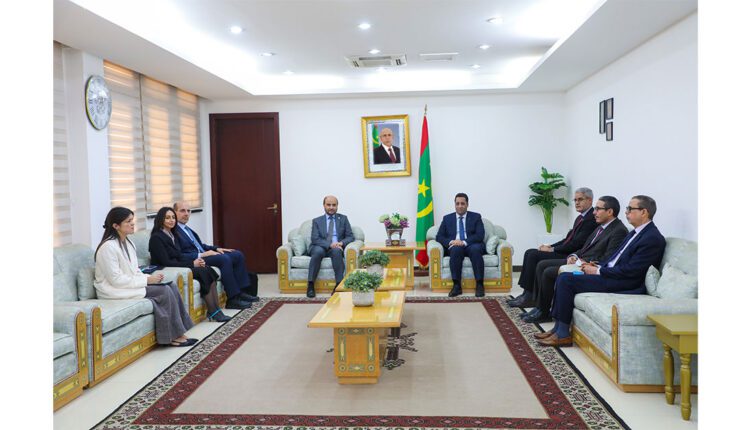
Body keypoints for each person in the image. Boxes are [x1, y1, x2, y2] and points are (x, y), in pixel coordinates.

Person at [537, 195, 666, 347]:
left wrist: (598, 271)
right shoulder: (635, 232)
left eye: (630, 209)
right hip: (612, 274)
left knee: (566, 280)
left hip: (625, 282)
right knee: (563, 276)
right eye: (627, 208)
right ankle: (558, 328)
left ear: (644, 212)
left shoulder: (652, 238)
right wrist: (597, 265)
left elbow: (633, 271)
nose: (626, 212)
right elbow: (615, 258)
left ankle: (563, 334)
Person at [94, 207, 196, 347]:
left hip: (127, 285)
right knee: (163, 291)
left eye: (132, 220)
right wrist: (146, 280)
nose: (132, 224)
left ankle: (181, 330)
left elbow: (134, 271)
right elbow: (116, 280)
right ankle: (172, 337)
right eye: (128, 221)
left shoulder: (129, 243)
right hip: (113, 289)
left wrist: (149, 277)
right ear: (116, 226)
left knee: (170, 285)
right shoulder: (108, 247)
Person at [521, 196, 628, 323]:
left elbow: (608, 257)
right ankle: (539, 307)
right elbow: (585, 248)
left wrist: (582, 261)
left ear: (609, 211)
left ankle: (544, 312)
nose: (594, 212)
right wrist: (574, 255)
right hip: (579, 260)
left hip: (588, 265)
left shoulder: (619, 230)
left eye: (598, 209)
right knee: (542, 265)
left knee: (548, 271)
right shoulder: (601, 226)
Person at [509, 187, 597, 308]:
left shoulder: (591, 219)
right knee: (529, 252)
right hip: (566, 250)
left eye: (580, 199)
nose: (577, 203)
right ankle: (527, 293)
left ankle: (530, 297)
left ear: (590, 200)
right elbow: (567, 239)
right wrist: (550, 245)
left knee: (533, 255)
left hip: (571, 255)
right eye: (575, 200)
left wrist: (552, 250)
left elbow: (576, 244)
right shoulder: (580, 217)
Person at [149, 207, 231, 322]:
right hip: (168, 268)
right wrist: (192, 263)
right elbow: (166, 262)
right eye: (167, 218)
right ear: (161, 219)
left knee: (208, 269)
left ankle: (216, 310)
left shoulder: (172, 234)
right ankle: (213, 311)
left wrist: (197, 261)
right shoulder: (156, 238)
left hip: (179, 264)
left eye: (173, 217)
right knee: (203, 272)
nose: (171, 220)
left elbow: (179, 255)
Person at [173, 201, 257, 310]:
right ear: (174, 212)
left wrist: (216, 248)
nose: (186, 214)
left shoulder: (186, 229)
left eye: (188, 211)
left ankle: (242, 292)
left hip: (204, 254)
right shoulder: (174, 231)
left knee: (237, 255)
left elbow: (200, 245)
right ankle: (232, 299)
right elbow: (179, 254)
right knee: (223, 259)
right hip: (196, 259)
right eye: (182, 211)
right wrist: (202, 254)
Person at [436, 193, 486, 297]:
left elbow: (480, 235)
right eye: (457, 203)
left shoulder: (476, 217)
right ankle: (456, 285)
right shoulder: (447, 218)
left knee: (475, 250)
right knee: (455, 250)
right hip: (455, 245)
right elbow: (439, 236)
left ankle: (480, 284)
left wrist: (463, 242)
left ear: (467, 204)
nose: (460, 206)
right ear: (454, 204)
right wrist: (452, 242)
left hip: (471, 244)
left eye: (462, 203)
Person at [307, 195, 354, 298]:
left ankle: (338, 284)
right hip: (320, 246)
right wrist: (330, 244)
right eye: (328, 205)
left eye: (334, 205)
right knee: (318, 252)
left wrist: (341, 243)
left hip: (336, 247)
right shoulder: (317, 221)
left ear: (337, 206)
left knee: (337, 251)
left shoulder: (343, 219)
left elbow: (350, 236)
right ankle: (310, 285)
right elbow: (315, 238)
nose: (331, 207)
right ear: (324, 205)